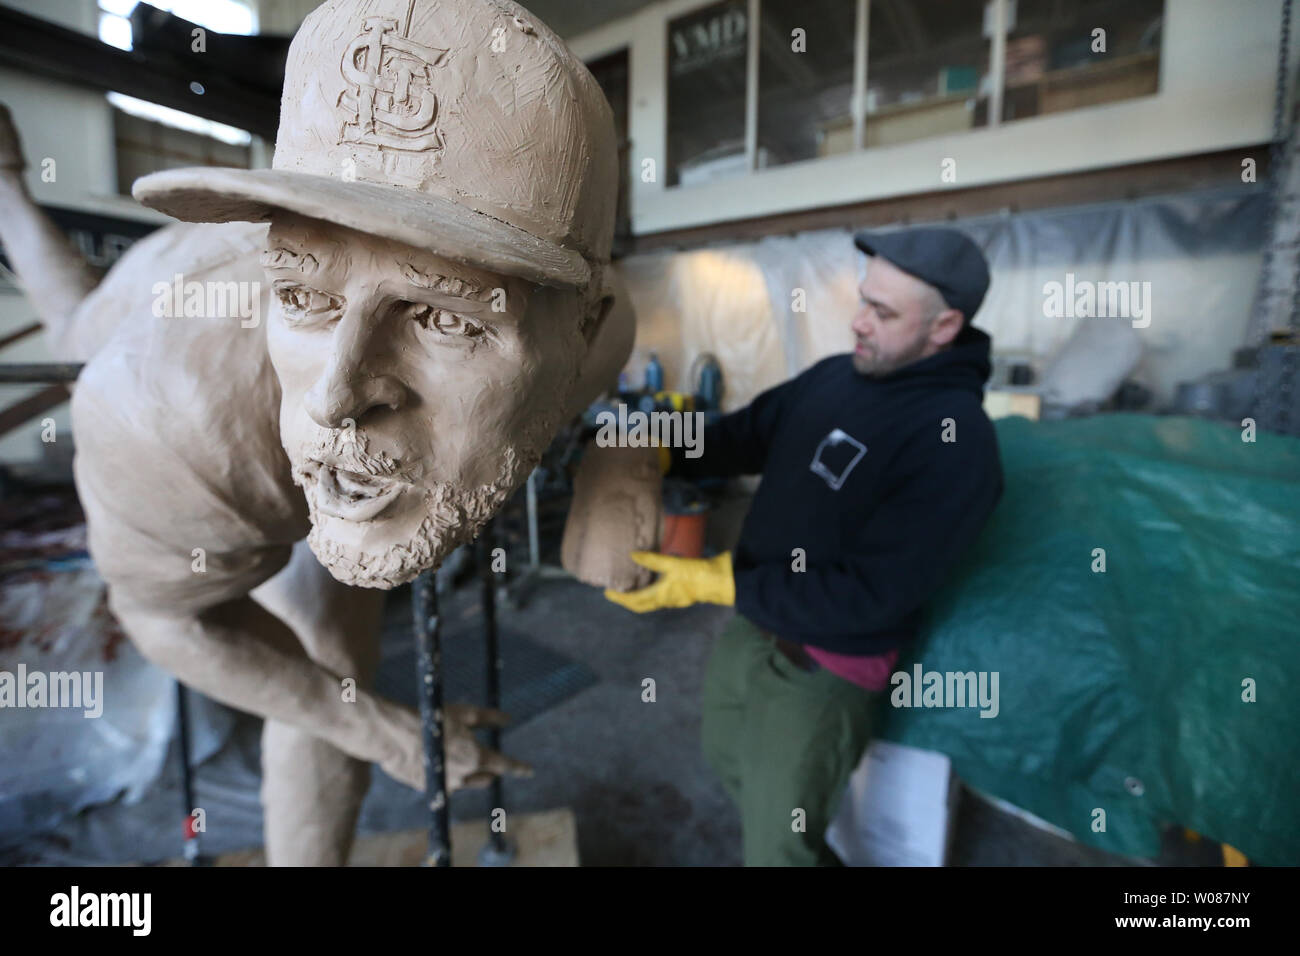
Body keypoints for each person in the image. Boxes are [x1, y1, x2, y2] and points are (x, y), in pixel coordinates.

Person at [607, 227, 1004, 866]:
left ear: (944, 326)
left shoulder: (955, 444)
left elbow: (871, 596)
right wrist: (664, 445)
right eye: (863, 299)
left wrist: (718, 582)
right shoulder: (832, 380)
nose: (859, 322)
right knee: (731, 763)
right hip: (755, 625)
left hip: (825, 665)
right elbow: (739, 437)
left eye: (884, 312)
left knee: (779, 850)